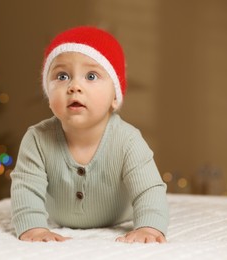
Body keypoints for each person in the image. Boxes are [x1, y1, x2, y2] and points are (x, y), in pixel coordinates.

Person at [10, 26, 169, 243]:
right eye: (62, 76)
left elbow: (148, 190)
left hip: (118, 219)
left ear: (115, 96)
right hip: (56, 217)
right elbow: (26, 188)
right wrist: (34, 228)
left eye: (91, 76)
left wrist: (149, 228)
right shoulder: (37, 139)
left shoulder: (128, 141)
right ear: (48, 94)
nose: (74, 86)